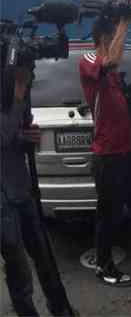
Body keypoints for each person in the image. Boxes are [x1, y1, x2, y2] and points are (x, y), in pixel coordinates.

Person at [1, 64, 78, 316]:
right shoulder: (10, 90)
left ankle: (60, 308)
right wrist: (18, 97)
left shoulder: (21, 87)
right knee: (17, 261)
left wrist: (27, 136)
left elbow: (13, 138)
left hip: (21, 184)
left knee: (42, 252)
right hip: (2, 193)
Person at [79, 16, 131, 286]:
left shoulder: (111, 73)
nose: (121, 44)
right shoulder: (90, 59)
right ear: (105, 37)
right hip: (108, 155)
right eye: (117, 37)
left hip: (126, 151)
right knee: (108, 214)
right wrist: (125, 21)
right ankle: (104, 266)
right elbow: (111, 60)